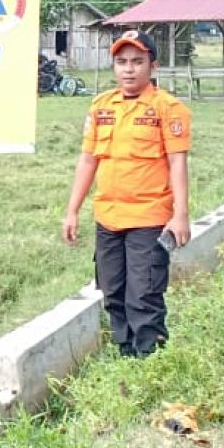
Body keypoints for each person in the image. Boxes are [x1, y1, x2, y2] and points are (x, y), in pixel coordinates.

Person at [62, 31, 191, 357]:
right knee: (113, 292)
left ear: (153, 66)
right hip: (108, 217)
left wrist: (180, 215)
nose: (129, 69)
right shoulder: (101, 107)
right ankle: (127, 355)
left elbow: (177, 162)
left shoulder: (168, 108)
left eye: (137, 62)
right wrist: (73, 210)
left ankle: (151, 362)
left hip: (149, 216)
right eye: (121, 62)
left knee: (143, 295)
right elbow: (88, 159)